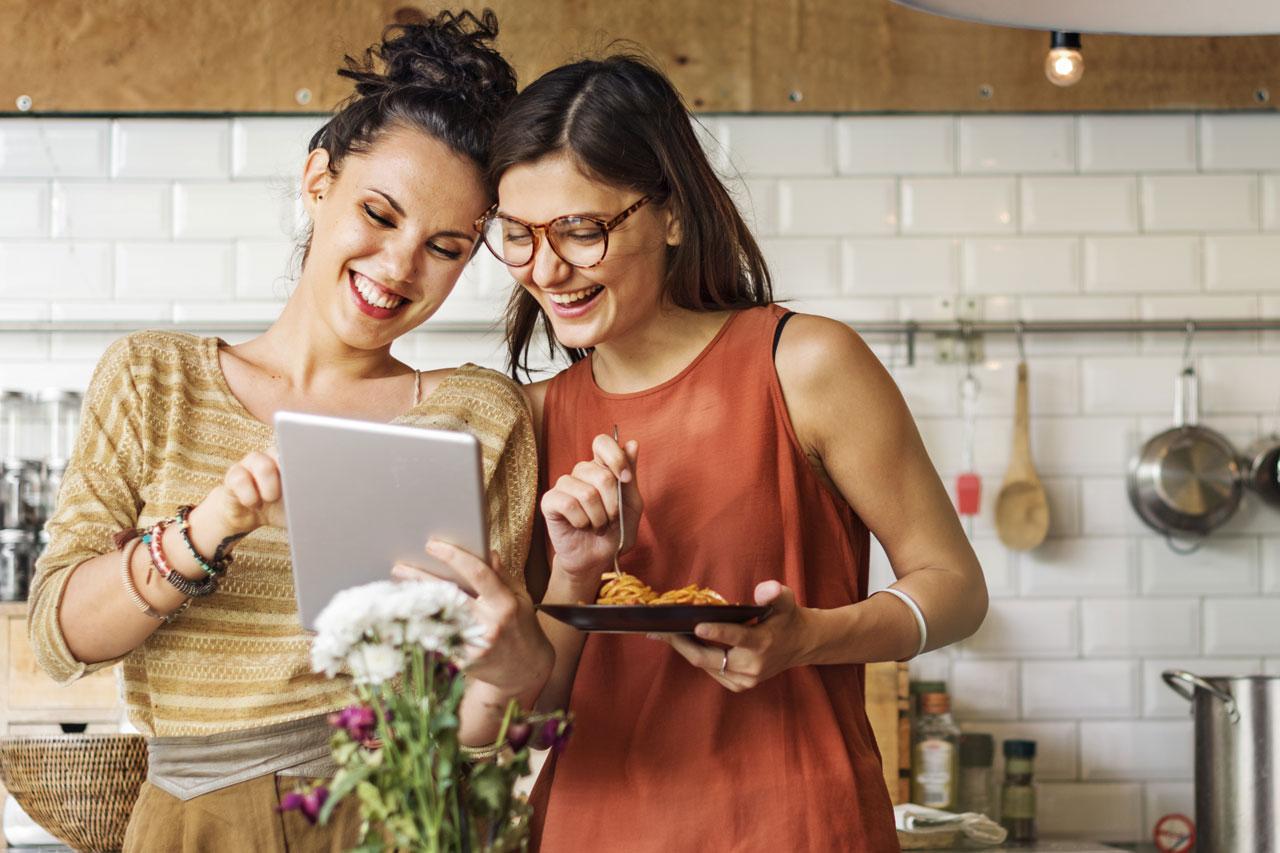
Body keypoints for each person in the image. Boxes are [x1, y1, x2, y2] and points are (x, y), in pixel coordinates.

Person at [27, 12, 551, 851]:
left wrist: (519, 658)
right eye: (378, 214)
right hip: (201, 819)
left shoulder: (483, 415)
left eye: (445, 247)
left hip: (411, 807)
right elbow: (60, 636)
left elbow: (492, 700)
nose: (399, 266)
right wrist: (205, 531)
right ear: (318, 180)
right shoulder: (155, 379)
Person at [476, 54, 990, 851]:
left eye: (581, 230)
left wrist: (809, 637)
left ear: (671, 212)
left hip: (793, 826)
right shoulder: (534, 418)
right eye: (516, 235)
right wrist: (576, 573)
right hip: (591, 828)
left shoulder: (805, 364)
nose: (545, 269)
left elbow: (957, 590)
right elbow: (532, 717)